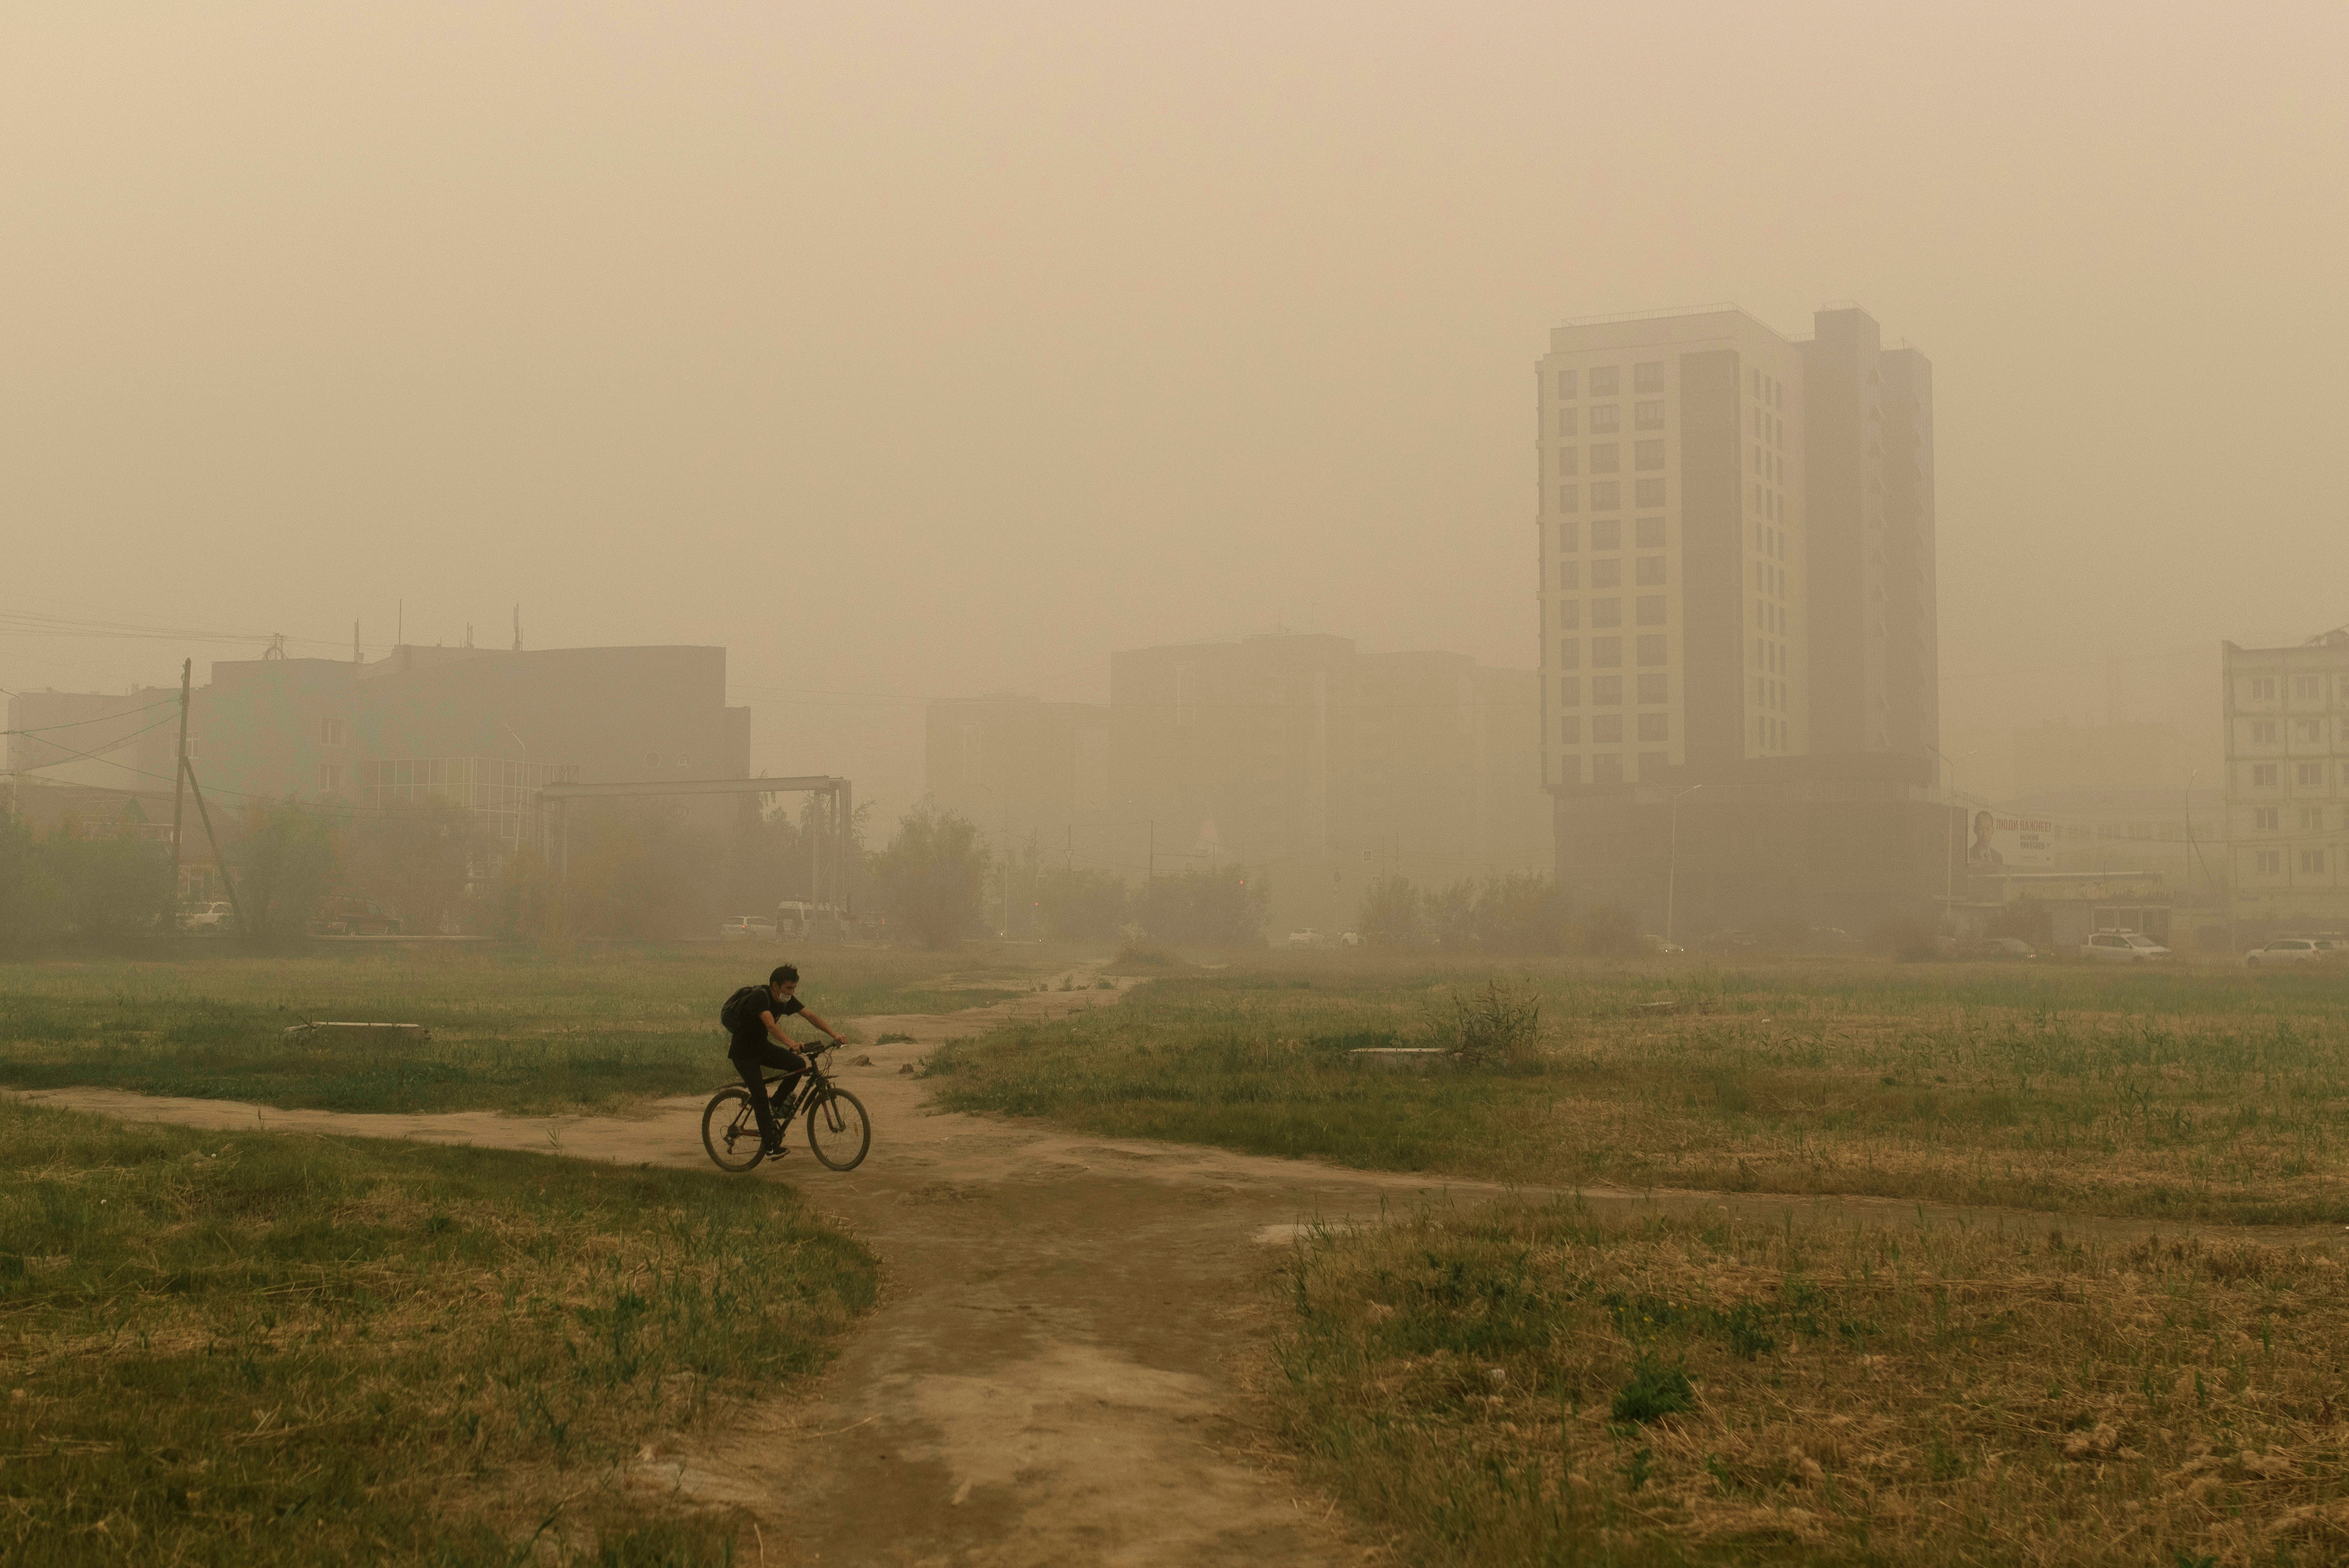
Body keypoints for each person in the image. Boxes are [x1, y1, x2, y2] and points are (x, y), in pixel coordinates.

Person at [728, 964, 845, 1157]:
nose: (791, 993)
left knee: (798, 1065)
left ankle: (775, 1106)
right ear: (775, 986)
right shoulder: (761, 998)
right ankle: (769, 1146)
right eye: (788, 988)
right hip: (744, 1054)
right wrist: (791, 1044)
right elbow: (771, 1026)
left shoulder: (785, 1000)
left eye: (794, 989)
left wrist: (835, 1034)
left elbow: (810, 1016)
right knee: (759, 1096)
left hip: (761, 1048)